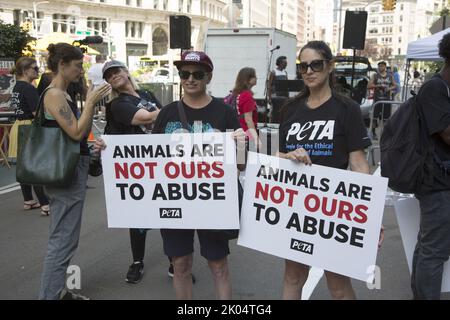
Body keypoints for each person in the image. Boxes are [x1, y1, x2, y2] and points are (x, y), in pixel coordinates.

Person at [277, 41, 383, 300]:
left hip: (333, 210)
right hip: (296, 207)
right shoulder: (289, 110)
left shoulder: (347, 108)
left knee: (337, 283)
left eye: (316, 64)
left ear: (330, 66)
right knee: (292, 276)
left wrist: (372, 215)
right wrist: (287, 155)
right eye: (304, 66)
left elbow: (358, 163)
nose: (309, 71)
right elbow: (276, 157)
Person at [152, 50, 245, 299]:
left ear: (208, 77)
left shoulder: (224, 113)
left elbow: (241, 165)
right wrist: (108, 151)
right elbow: (150, 159)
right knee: (180, 264)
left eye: (197, 74)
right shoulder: (168, 113)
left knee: (218, 265)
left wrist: (241, 145)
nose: (190, 79)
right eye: (184, 73)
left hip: (212, 201)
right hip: (175, 200)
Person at [100, 60, 184, 284]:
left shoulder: (145, 93)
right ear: (108, 83)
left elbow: (164, 119)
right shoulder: (117, 104)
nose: (114, 76)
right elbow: (146, 118)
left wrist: (163, 113)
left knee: (169, 211)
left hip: (161, 161)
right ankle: (137, 262)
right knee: (138, 217)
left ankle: (174, 262)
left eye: (117, 71)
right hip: (136, 167)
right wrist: (164, 111)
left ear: (126, 72)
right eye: (109, 75)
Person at [38, 43, 111, 300]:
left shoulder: (64, 94)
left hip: (71, 169)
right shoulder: (55, 95)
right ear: (62, 65)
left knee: (66, 238)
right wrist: (91, 101)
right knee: (62, 239)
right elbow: (77, 131)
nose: (82, 70)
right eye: (78, 65)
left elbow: (76, 136)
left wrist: (90, 148)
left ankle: (58, 291)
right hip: (64, 174)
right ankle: (50, 295)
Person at [411, 33, 450, 300]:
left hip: (441, 179)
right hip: (437, 182)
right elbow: (446, 133)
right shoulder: (435, 88)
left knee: (429, 245)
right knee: (434, 251)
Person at [8, 57, 50, 216]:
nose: (37, 71)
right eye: (35, 68)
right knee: (34, 167)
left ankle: (28, 200)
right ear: (25, 71)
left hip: (18, 126)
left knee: (23, 166)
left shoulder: (17, 87)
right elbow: (36, 113)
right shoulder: (28, 88)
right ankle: (45, 204)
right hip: (29, 127)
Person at [367, 61, 398, 139]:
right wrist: (378, 85)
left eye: (381, 66)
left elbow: (395, 85)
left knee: (386, 119)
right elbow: (369, 86)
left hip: (387, 100)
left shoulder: (390, 76)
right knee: (374, 118)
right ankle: (373, 133)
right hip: (377, 100)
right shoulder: (375, 75)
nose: (380, 68)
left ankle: (385, 134)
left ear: (385, 67)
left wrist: (389, 88)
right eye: (379, 66)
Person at [230, 67, 259, 146]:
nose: (257, 78)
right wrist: (256, 138)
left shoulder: (238, 94)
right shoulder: (247, 95)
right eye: (254, 76)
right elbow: (248, 119)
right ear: (248, 79)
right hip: (246, 133)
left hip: (238, 132)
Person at [267, 56, 289, 123]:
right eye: (284, 63)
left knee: (283, 113)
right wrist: (269, 97)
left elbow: (287, 85)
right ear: (279, 63)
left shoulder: (285, 72)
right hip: (276, 96)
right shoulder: (274, 72)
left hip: (284, 96)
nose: (286, 64)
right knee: (275, 113)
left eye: (286, 63)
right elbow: (269, 85)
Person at [87, 55, 107, 120]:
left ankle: (95, 117)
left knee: (95, 104)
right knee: (104, 104)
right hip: (105, 88)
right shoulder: (104, 67)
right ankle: (104, 118)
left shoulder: (91, 68)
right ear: (102, 59)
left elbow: (90, 82)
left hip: (95, 88)